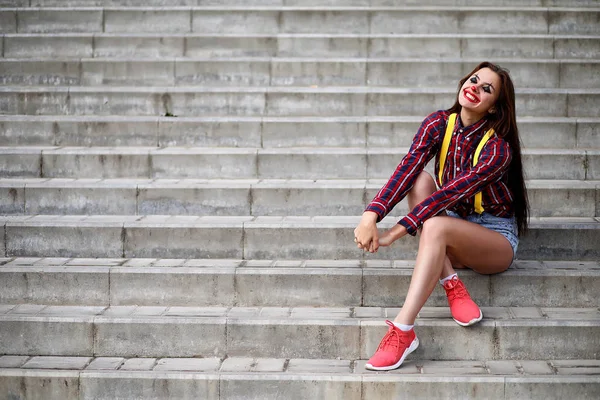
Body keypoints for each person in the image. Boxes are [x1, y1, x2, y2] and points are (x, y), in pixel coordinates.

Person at [354, 62, 529, 371]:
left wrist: (396, 231)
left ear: (494, 108)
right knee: (419, 179)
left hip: (494, 240)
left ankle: (403, 330)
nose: (475, 87)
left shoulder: (498, 150)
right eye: (474, 80)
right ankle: (451, 283)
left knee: (434, 222)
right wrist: (371, 215)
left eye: (486, 89)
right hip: (451, 231)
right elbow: (407, 168)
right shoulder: (438, 123)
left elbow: (449, 195)